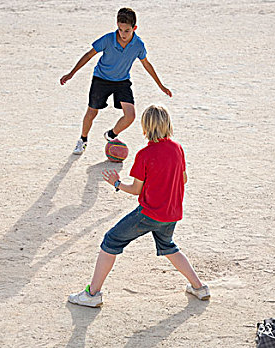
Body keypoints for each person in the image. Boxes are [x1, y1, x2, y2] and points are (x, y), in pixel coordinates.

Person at [68, 105, 210, 307]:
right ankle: (199, 287)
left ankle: (92, 295)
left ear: (145, 127)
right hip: (171, 214)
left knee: (110, 241)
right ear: (167, 124)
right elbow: (183, 179)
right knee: (169, 247)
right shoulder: (178, 149)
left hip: (148, 214)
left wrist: (116, 183)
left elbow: (136, 189)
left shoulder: (144, 154)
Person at [60, 8, 172, 155]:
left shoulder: (138, 45)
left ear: (134, 28)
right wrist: (71, 73)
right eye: (120, 29)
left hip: (122, 81)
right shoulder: (107, 39)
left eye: (127, 30)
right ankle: (83, 140)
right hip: (101, 79)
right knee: (92, 112)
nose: (123, 34)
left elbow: (146, 64)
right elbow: (89, 55)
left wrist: (160, 85)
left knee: (130, 115)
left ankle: (111, 134)